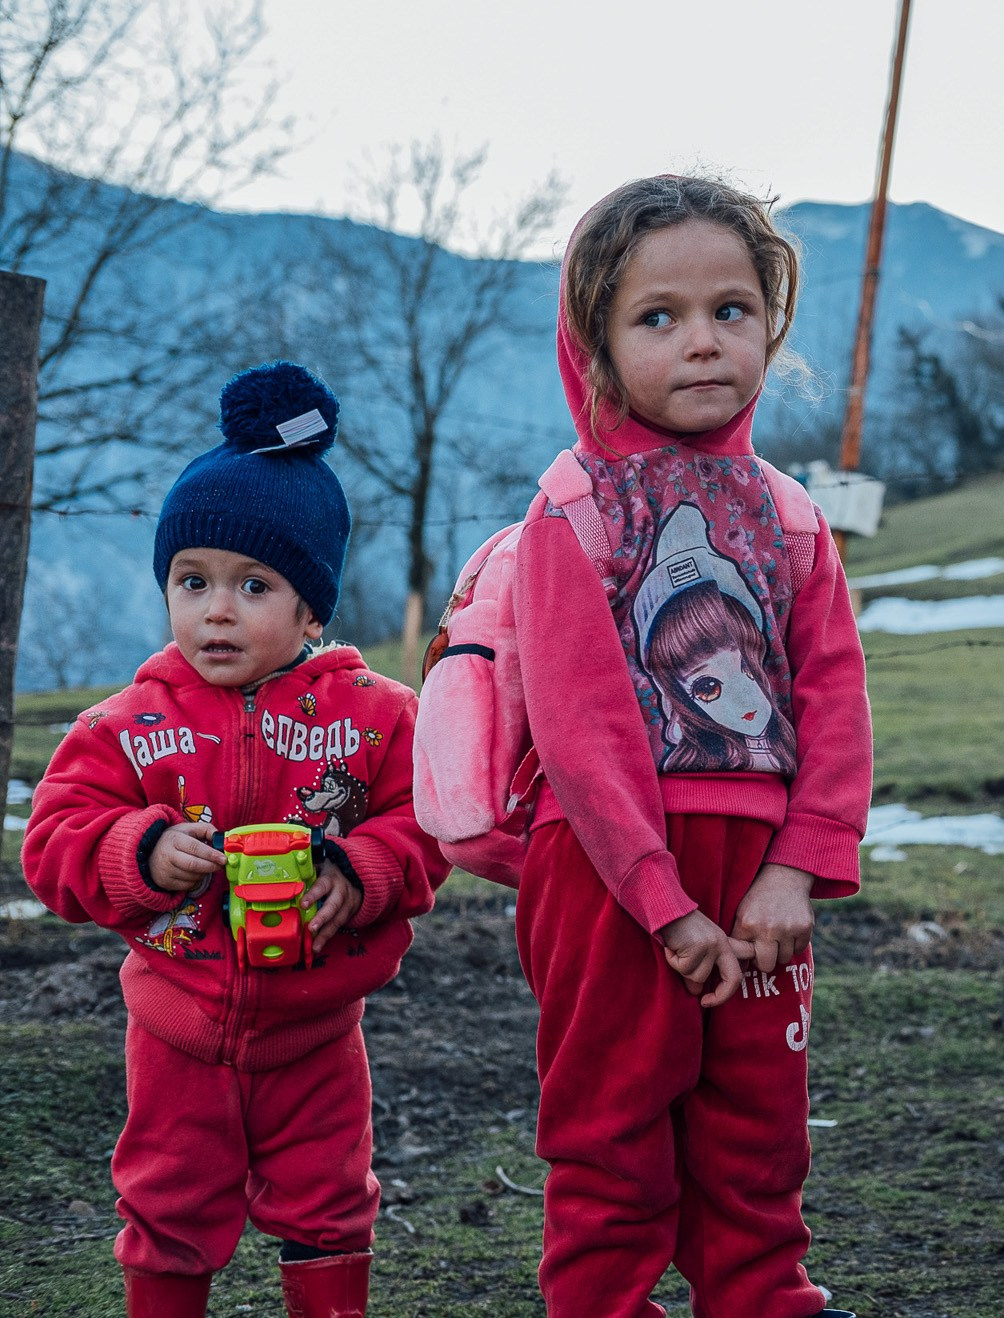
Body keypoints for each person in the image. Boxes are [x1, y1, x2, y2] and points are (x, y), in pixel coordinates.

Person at [508, 174, 870, 1318]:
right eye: (656, 316)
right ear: (596, 344)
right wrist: (663, 904)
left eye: (730, 309)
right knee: (612, 1134)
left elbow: (835, 700)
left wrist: (792, 869)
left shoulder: (793, 513)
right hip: (609, 876)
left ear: (770, 323)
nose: (701, 340)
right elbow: (582, 727)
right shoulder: (573, 507)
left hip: (760, 883)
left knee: (757, 1133)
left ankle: (765, 1297)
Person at [23, 362, 450, 1318]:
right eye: (192, 580)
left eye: (253, 584)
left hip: (318, 1033)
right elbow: (52, 843)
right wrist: (138, 853)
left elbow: (428, 820)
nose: (216, 608)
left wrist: (365, 870)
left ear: (311, 607)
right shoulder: (122, 726)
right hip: (175, 1031)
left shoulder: (378, 718)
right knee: (169, 1204)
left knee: (332, 1204)